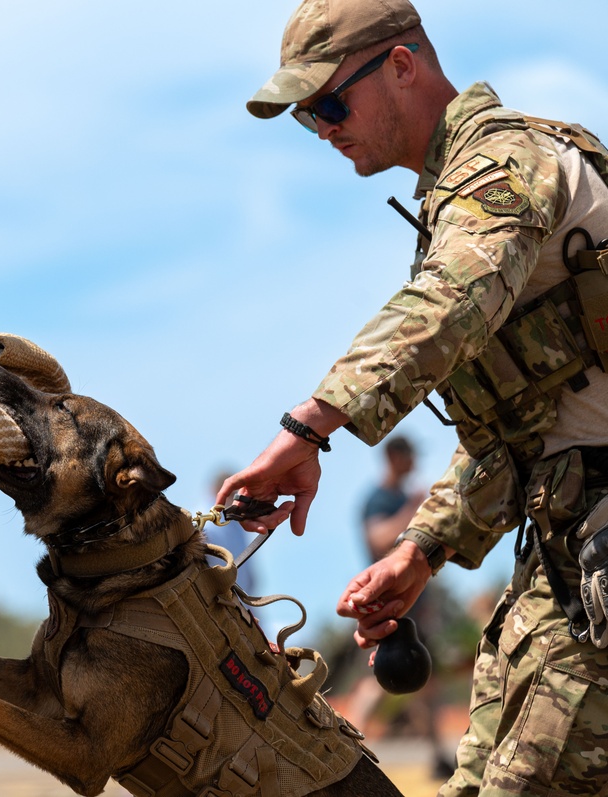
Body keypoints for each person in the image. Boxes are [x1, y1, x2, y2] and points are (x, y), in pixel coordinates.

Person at [217, 0, 608, 793]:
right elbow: (518, 427)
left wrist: (308, 428)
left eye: (330, 102)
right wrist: (423, 549)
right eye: (305, 116)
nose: (323, 128)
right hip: (566, 557)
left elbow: (442, 308)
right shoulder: (461, 194)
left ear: (402, 66)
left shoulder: (505, 164)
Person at [349, 436, 453, 780]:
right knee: (375, 682)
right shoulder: (379, 498)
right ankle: (348, 747)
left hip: (414, 607)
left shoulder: (400, 497)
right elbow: (378, 540)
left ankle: (439, 757)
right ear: (395, 457)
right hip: (386, 607)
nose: (414, 464)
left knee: (425, 684)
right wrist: (412, 509)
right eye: (410, 457)